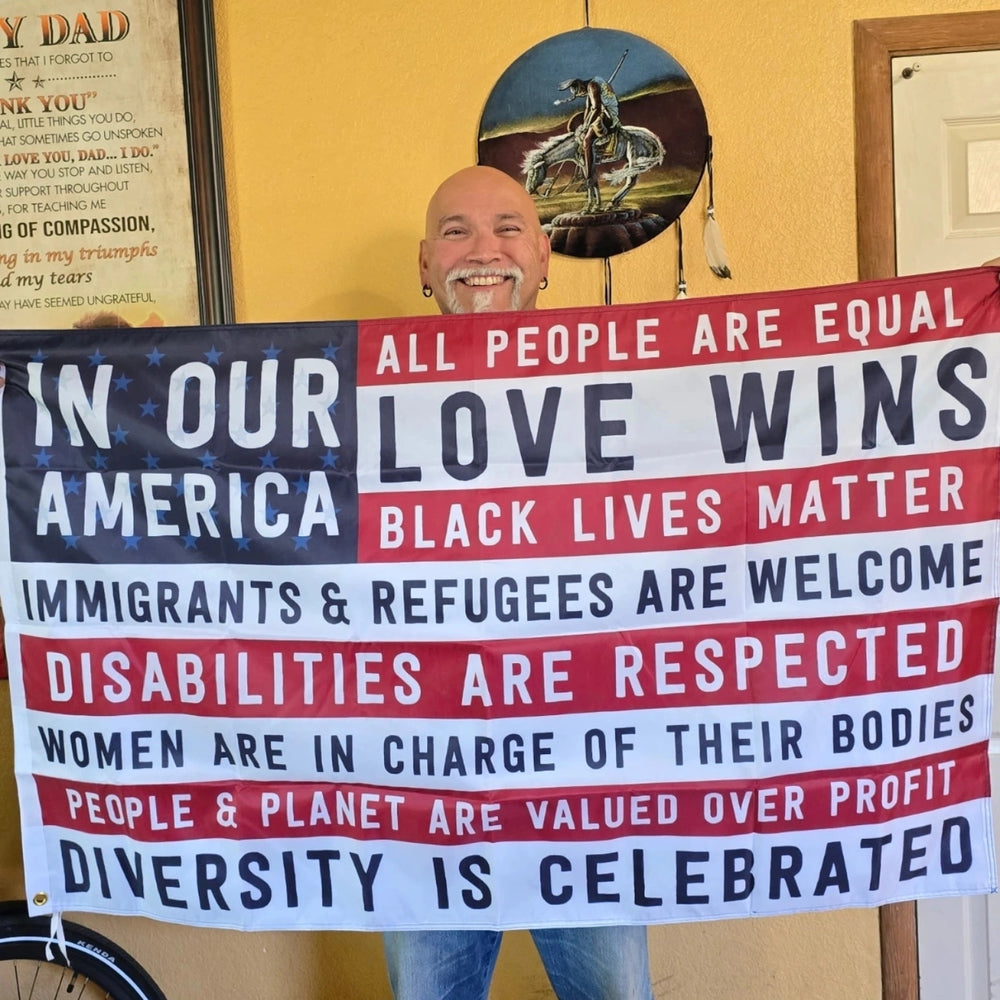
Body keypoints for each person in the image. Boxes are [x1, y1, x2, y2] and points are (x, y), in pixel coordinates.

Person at [387, 164, 655, 1000]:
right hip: (422, 784)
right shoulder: (363, 394)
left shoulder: (629, 387)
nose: (484, 251)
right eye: (456, 231)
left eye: (507, 227)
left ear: (542, 256)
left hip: (585, 779)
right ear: (424, 262)